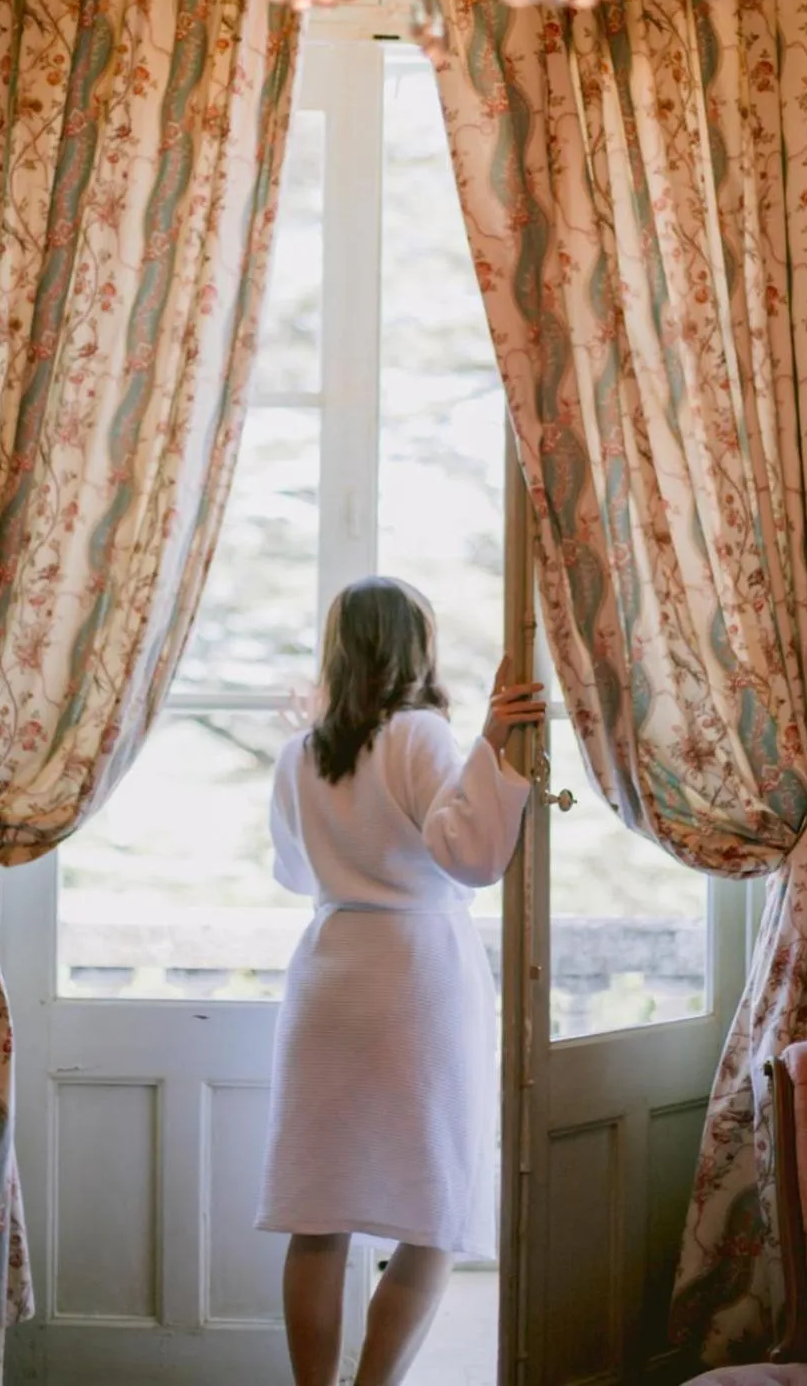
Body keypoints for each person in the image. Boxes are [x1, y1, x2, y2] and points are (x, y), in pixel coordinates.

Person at [255, 576, 547, 1386]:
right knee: (432, 1214)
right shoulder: (420, 735)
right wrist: (489, 747)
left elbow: (289, 869)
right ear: (415, 647)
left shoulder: (299, 751)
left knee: (316, 1217)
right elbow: (472, 857)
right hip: (413, 982)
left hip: (328, 975)